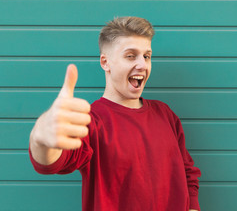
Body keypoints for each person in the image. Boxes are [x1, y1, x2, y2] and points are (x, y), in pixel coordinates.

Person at [29, 16, 201, 211]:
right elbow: (55, 161)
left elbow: (188, 173)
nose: (142, 65)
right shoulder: (90, 120)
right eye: (130, 55)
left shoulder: (165, 114)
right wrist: (39, 139)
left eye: (146, 56)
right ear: (105, 62)